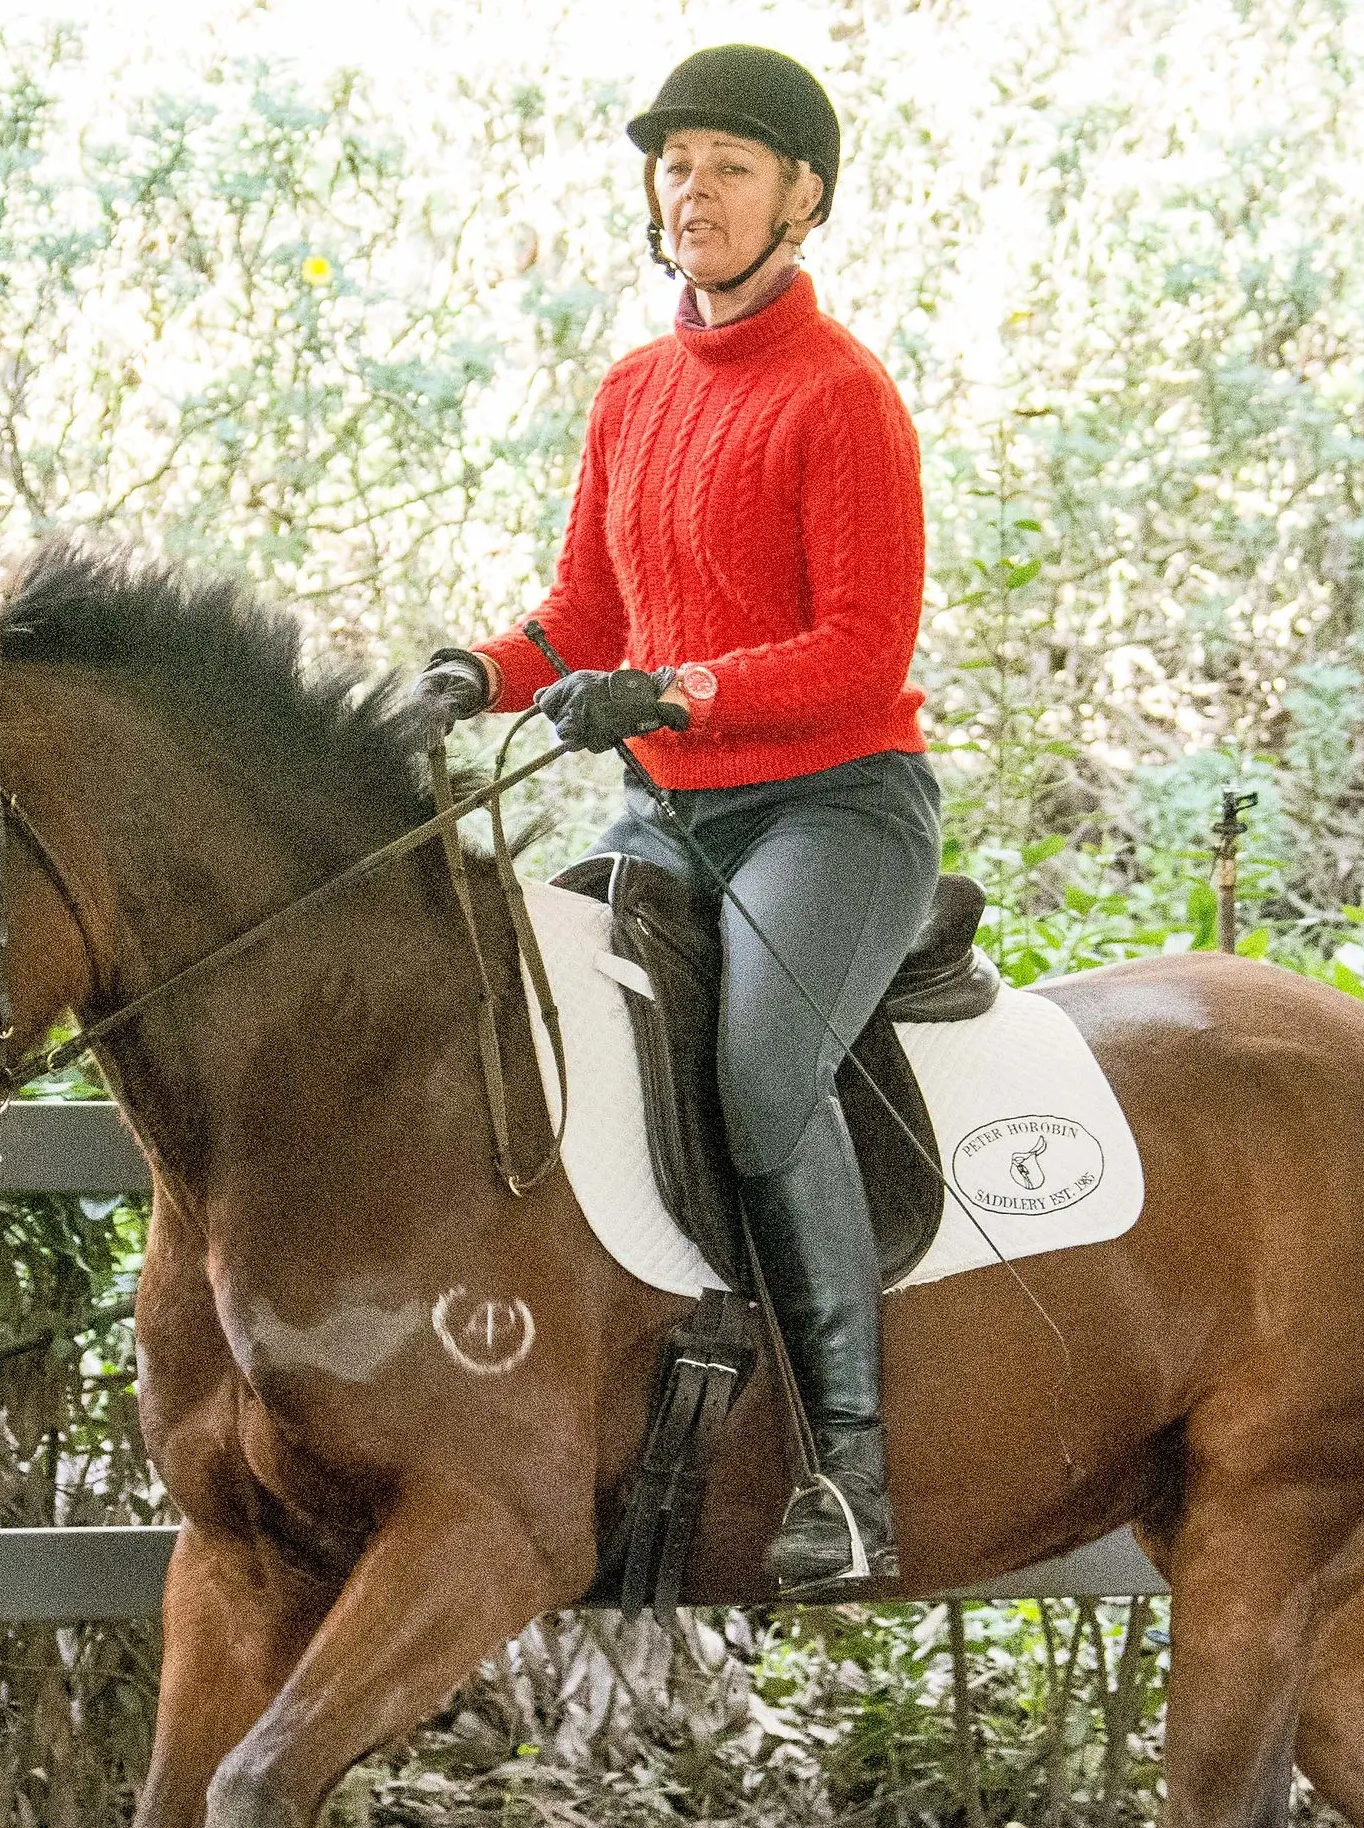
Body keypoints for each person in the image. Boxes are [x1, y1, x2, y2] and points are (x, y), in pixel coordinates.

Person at [413, 43, 936, 1602]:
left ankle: (850, 1473)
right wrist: (478, 672)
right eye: (675, 164)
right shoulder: (637, 389)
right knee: (528, 1019)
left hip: (833, 810)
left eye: (728, 166)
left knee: (766, 1071)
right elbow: (583, 611)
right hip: (672, 812)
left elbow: (859, 652)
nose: (691, 190)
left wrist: (677, 690)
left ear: (803, 199)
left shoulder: (842, 399)